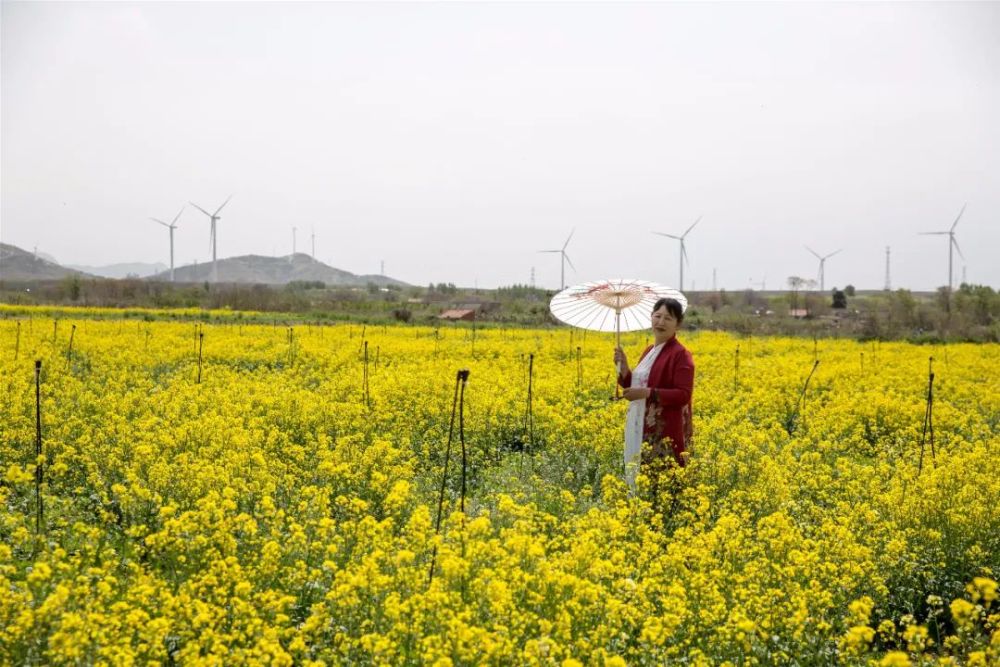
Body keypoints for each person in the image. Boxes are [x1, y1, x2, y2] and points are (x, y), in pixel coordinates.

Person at [614, 297, 694, 492]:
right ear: (650, 318)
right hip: (641, 424)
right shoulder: (650, 350)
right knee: (642, 479)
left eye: (668, 318)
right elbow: (635, 385)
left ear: (678, 324)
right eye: (657, 316)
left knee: (665, 485)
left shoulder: (681, 354)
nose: (661, 322)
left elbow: (683, 394)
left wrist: (646, 393)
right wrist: (624, 368)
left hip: (666, 430)